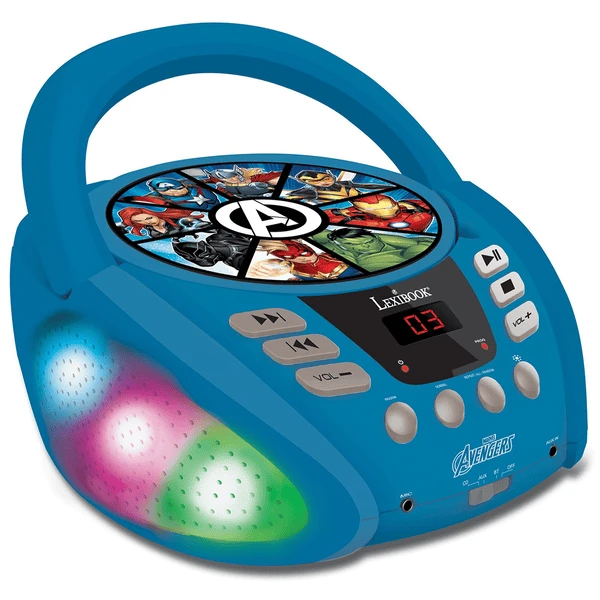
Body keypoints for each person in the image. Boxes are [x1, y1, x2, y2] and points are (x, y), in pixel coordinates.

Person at [312, 227, 434, 272]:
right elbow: (317, 233)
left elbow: (420, 245)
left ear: (376, 238)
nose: (365, 246)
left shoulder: (410, 248)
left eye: (369, 242)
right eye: (351, 244)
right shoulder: (336, 247)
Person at [247, 239, 357, 281]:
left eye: (303, 253)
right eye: (289, 257)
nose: (301, 259)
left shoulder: (335, 253)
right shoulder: (294, 269)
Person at [326, 194, 434, 232]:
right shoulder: (355, 212)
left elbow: (427, 211)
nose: (386, 211)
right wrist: (340, 214)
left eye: (388, 206)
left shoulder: (407, 207)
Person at [284, 169, 389, 204]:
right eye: (317, 182)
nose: (324, 182)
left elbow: (368, 186)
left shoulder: (343, 184)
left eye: (326, 178)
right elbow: (290, 198)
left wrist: (386, 187)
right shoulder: (311, 191)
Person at [121, 177, 219, 210]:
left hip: (215, 205)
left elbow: (207, 180)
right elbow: (139, 200)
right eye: (167, 191)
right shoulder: (157, 197)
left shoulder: (190, 183)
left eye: (178, 189)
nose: (174, 192)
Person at [117, 206, 203, 238]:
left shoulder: (179, 219)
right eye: (140, 221)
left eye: (149, 218)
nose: (149, 222)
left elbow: (203, 226)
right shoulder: (153, 233)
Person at [198, 165, 281, 197]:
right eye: (231, 178)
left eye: (236, 176)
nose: (235, 179)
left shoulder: (254, 178)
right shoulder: (221, 184)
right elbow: (207, 181)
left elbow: (275, 177)